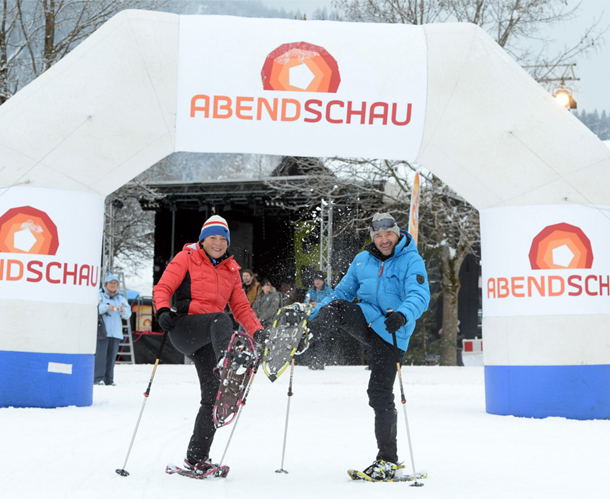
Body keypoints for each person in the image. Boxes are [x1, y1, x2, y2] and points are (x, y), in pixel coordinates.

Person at [307, 213, 430, 481]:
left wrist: (404, 313)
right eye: (378, 236)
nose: (384, 240)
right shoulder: (362, 260)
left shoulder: (411, 259)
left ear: (397, 234)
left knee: (378, 392)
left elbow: (419, 294)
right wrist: (312, 317)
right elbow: (340, 293)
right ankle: (306, 335)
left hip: (392, 331)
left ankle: (388, 461)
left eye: (388, 235)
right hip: (366, 319)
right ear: (372, 237)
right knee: (337, 307)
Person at [153, 215, 266, 476]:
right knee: (221, 318)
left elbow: (241, 307)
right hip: (184, 328)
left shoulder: (231, 270)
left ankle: (196, 459)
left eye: (222, 239)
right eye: (213, 238)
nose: (217, 243)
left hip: (209, 339)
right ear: (203, 240)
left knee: (214, 399)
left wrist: (257, 332)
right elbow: (163, 287)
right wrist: (161, 311)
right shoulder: (187, 257)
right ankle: (227, 363)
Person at [95, 274, 131, 386]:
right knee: (100, 356)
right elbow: (94, 309)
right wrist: (106, 307)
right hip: (102, 332)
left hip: (115, 332)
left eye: (115, 283)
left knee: (111, 358)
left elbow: (128, 314)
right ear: (105, 284)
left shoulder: (121, 298)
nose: (113, 285)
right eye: (110, 283)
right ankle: (97, 378)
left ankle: (109, 379)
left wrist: (122, 310)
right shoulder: (99, 295)